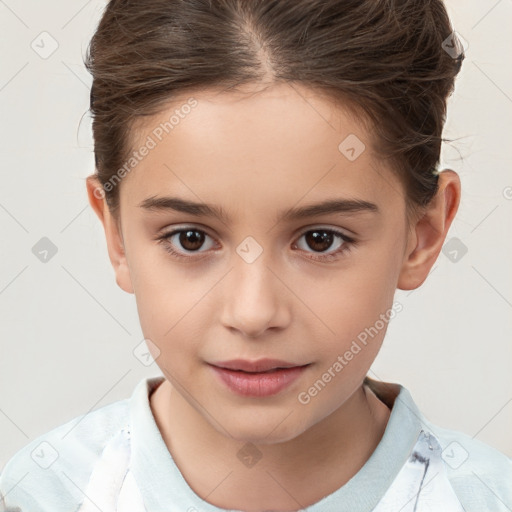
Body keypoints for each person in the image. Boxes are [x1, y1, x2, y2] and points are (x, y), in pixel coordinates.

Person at [1, 0, 510, 511]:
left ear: (421, 235)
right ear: (116, 235)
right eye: (191, 239)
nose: (253, 313)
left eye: (320, 240)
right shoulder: (41, 494)